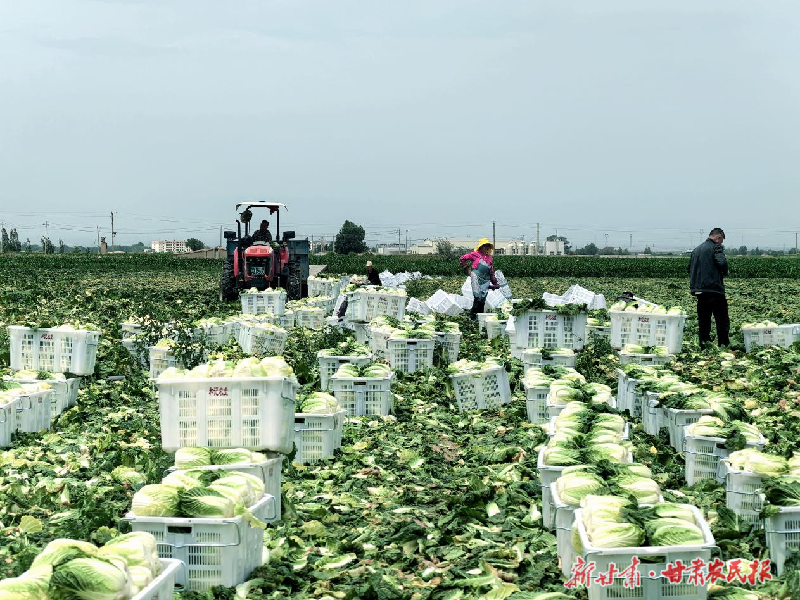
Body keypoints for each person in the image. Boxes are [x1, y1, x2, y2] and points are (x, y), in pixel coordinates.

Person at [688, 227, 730, 347]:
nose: (721, 243)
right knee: (722, 319)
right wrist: (725, 271)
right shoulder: (716, 247)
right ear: (719, 238)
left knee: (704, 319)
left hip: (699, 290)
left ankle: (704, 344)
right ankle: (723, 344)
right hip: (714, 289)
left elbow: (689, 268)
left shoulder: (696, 250)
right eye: (721, 241)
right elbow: (721, 262)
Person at [460, 238, 500, 318]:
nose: (487, 248)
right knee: (477, 299)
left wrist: (494, 283)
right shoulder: (475, 254)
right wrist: (467, 269)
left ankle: (480, 318)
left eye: (488, 246)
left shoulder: (489, 258)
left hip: (486, 281)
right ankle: (472, 318)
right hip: (476, 279)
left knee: (482, 301)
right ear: (481, 247)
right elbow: (462, 258)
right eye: (485, 246)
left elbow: (491, 270)